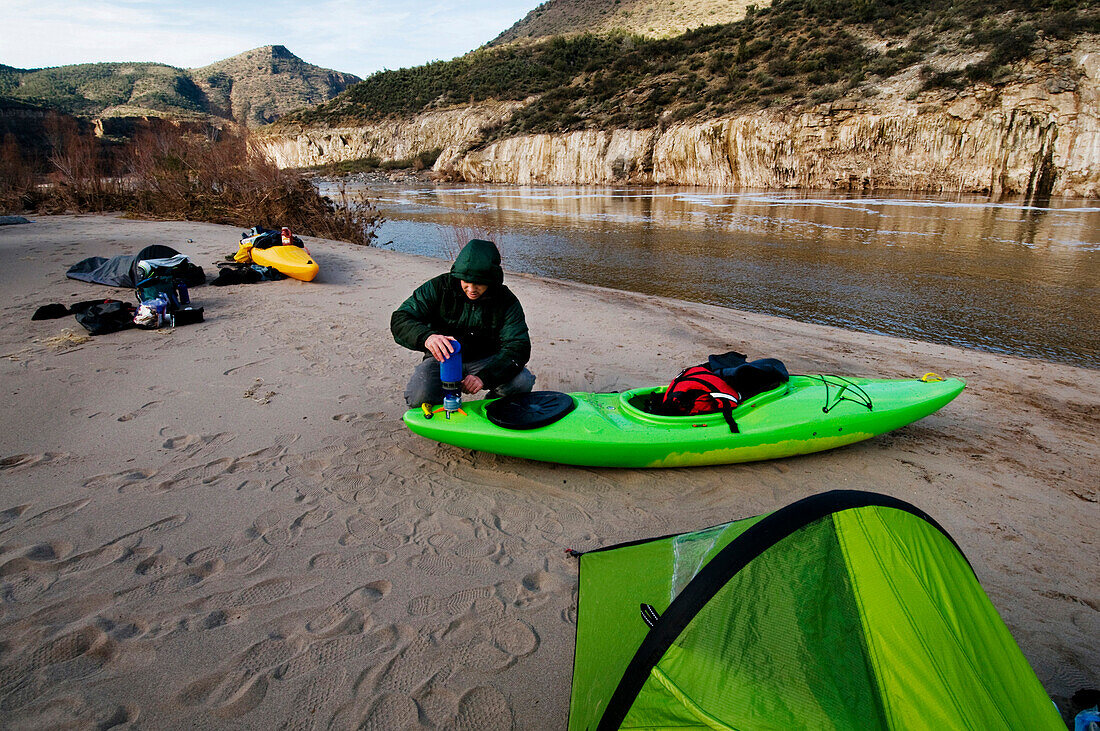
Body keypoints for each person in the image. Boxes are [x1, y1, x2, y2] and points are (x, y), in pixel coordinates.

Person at [391, 239, 536, 407]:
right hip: (443, 358)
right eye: (466, 282)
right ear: (458, 275)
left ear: (492, 279)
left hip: (485, 360)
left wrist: (484, 377)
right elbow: (401, 318)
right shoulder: (439, 287)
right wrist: (427, 337)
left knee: (522, 382)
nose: (472, 289)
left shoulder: (507, 301)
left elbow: (518, 345)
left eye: (479, 283)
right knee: (419, 398)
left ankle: (492, 408)